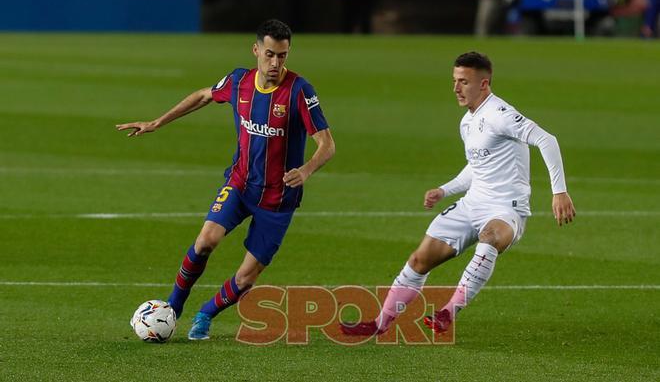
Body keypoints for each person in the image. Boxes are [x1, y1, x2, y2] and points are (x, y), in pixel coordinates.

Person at [116, 19, 335, 340]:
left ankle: (206, 313)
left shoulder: (300, 91)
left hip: (278, 199)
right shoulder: (239, 81)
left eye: (283, 56)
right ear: (256, 50)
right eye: (270, 54)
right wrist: (157, 122)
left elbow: (327, 144)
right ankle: (173, 308)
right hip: (241, 184)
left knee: (246, 278)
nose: (276, 63)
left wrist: (306, 170)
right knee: (205, 241)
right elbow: (204, 95)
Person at [341, 51, 575, 337]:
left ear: (484, 84)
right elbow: (476, 167)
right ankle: (379, 324)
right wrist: (445, 189)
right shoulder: (467, 122)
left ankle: (447, 313)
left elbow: (546, 139)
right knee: (419, 260)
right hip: (470, 206)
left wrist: (559, 191)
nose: (456, 88)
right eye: (454, 81)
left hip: (505, 209)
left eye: (463, 82)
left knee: (489, 240)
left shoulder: (501, 115)